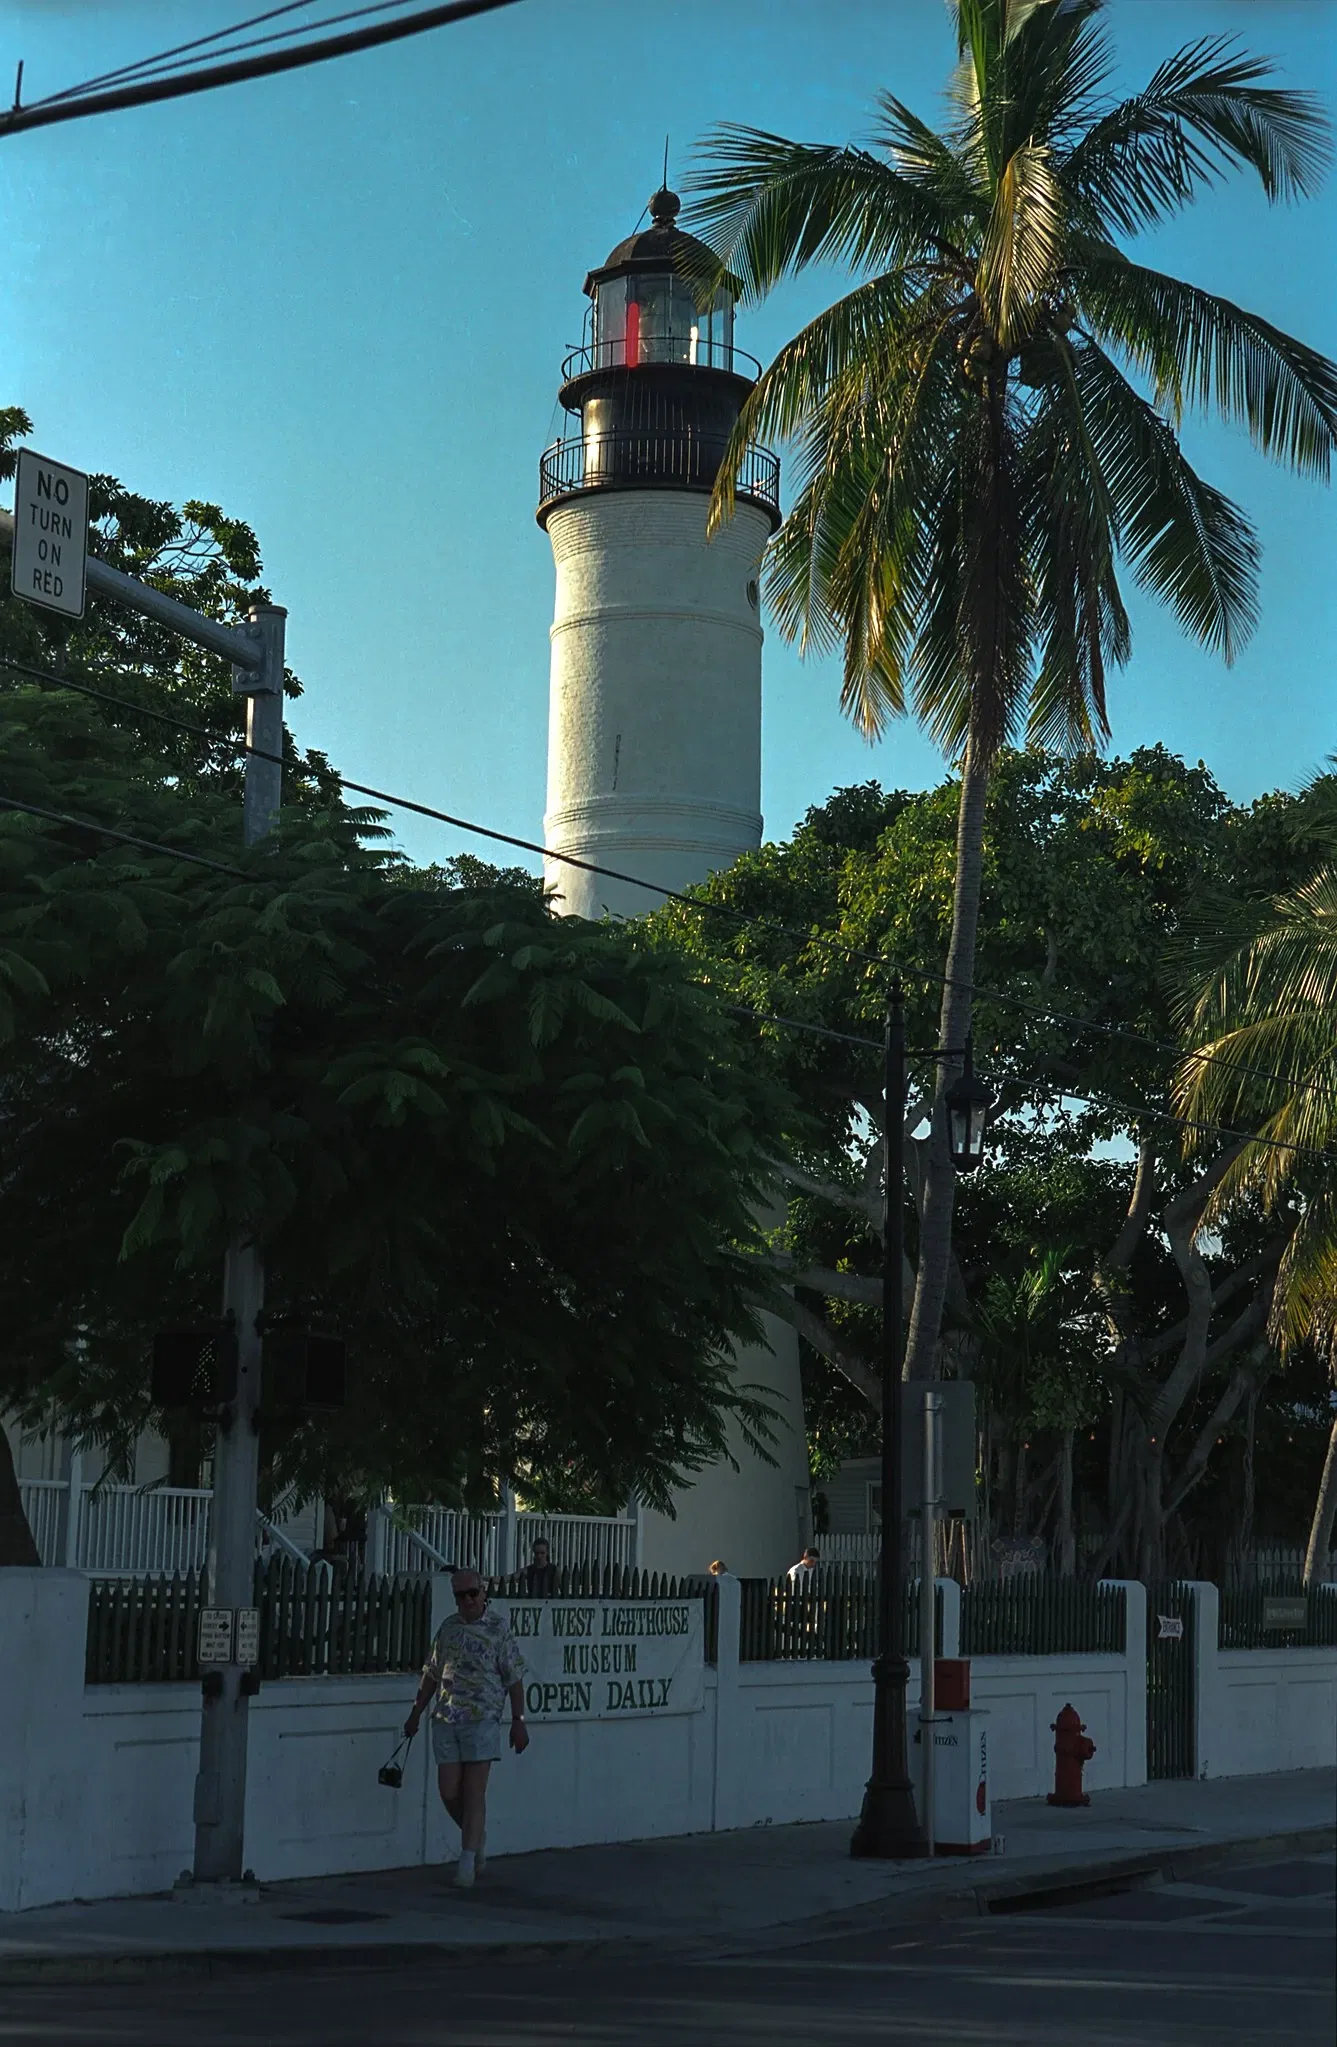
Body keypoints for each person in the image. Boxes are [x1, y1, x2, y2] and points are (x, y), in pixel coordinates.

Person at [404, 1568, 528, 1888]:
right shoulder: (448, 1628)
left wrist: (518, 1721)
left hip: (482, 1718)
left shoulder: (498, 1629)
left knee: (474, 1791)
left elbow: (514, 1680)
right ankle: (475, 1836)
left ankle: (468, 1860)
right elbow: (431, 1673)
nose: (469, 1600)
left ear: (483, 1591)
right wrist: (416, 1712)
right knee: (448, 1791)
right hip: (447, 1717)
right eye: (461, 1595)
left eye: (473, 1593)